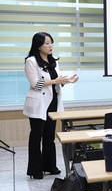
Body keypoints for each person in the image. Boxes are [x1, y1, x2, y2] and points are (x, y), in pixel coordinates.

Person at [23, 32, 78, 179]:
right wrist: (55, 81)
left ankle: (50, 166)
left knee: (49, 136)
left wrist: (67, 81)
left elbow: (56, 81)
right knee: (37, 136)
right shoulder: (31, 61)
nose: (50, 45)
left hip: (53, 102)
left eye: (51, 42)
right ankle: (36, 170)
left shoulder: (54, 61)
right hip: (38, 103)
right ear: (38, 45)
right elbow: (35, 84)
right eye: (47, 43)